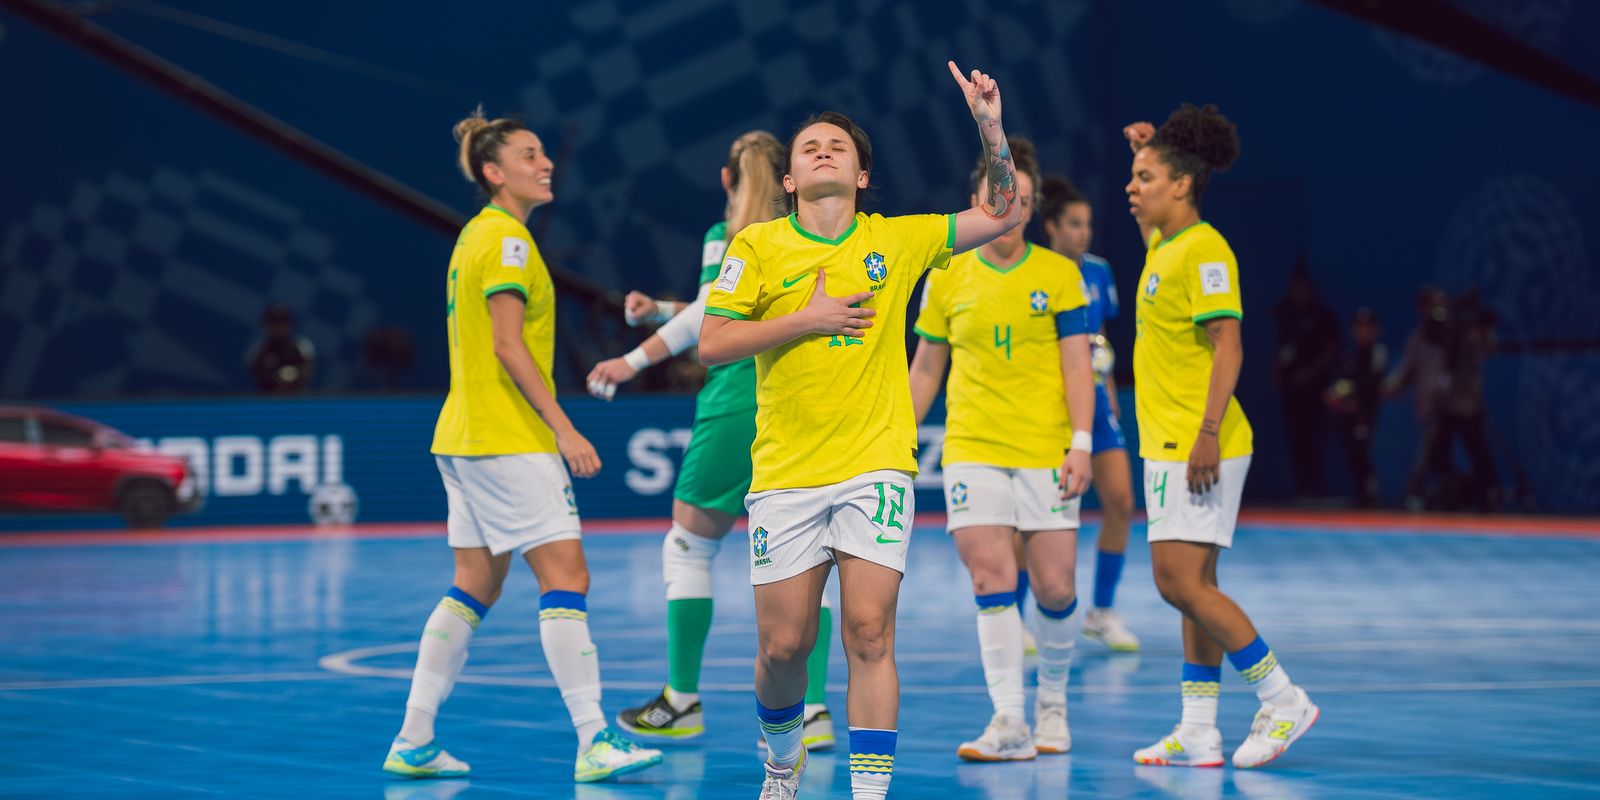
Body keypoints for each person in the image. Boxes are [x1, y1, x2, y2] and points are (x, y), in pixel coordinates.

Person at [698, 61, 1023, 799]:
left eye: (837, 147)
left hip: (875, 463)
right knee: (784, 646)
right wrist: (806, 319)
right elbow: (713, 343)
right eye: (809, 147)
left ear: (862, 175)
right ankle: (782, 764)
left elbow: (1003, 212)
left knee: (869, 631)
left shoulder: (899, 241)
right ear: (788, 180)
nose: (823, 152)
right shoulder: (755, 248)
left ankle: (868, 793)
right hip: (785, 470)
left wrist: (991, 130)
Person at [383, 108, 662, 784]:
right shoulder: (509, 242)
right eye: (529, 154)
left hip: (463, 435)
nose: (545, 163)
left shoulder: (476, 235)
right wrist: (564, 427)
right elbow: (508, 345)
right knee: (567, 576)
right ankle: (594, 740)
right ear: (493, 172)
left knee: (475, 583)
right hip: (507, 437)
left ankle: (414, 739)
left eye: (544, 153)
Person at [585, 131, 838, 750]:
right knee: (813, 557)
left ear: (727, 180)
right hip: (803, 402)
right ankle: (814, 711)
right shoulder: (811, 232)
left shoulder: (726, 237)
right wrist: (660, 309)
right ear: (786, 177)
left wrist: (633, 358)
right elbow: (734, 304)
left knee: (689, 547)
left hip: (736, 402)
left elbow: (710, 315)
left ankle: (681, 701)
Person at [1121, 105, 1318, 769]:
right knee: (1194, 585)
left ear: (1181, 185)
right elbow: (1157, 209)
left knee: (1178, 582)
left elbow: (1228, 345)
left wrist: (1206, 433)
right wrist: (1152, 149)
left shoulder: (1206, 250)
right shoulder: (1165, 245)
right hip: (1170, 441)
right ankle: (1199, 730)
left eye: (1145, 177)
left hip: (1197, 444)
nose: (1131, 187)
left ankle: (1283, 698)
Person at [908, 137, 1095, 761]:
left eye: (1022, 199)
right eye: (1000, 196)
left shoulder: (1060, 275)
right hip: (973, 446)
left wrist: (1081, 444)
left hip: (1046, 450)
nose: (1011, 207)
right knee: (991, 576)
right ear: (976, 201)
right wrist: (897, 438)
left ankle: (1052, 705)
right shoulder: (947, 275)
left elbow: (1078, 367)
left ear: (1033, 207)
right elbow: (926, 368)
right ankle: (1010, 720)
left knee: (1056, 588)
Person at [1038, 175, 1141, 652]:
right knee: (1041, 516)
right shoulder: (1036, 271)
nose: (1083, 233)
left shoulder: (1099, 272)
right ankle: (1017, 613)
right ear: (1052, 227)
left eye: (1088, 225)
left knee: (1120, 501)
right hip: (1048, 407)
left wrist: (1109, 388)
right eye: (1074, 224)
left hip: (1096, 403)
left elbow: (1099, 341)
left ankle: (1101, 612)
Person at [1272, 268, 1340, 498]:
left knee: (1314, 437)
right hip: (1292, 391)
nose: (1299, 294)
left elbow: (1332, 350)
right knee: (1295, 437)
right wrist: (1278, 373)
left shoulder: (1323, 317)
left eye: (1304, 290)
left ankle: (1314, 486)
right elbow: (1282, 350)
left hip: (1315, 390)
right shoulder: (1287, 316)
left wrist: (1310, 373)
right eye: (1296, 290)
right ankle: (1301, 486)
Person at [1325, 308, 1386, 507]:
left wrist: (1351, 393)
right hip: (1348, 414)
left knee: (1362, 452)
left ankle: (1370, 496)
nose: (1362, 332)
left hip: (1367, 413)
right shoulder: (1351, 354)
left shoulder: (1377, 353)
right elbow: (1340, 379)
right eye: (1358, 328)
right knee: (1353, 453)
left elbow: (1371, 381)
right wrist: (1336, 394)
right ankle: (1361, 495)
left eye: (1366, 328)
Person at [246, 304, 316, 393]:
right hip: (267, 398)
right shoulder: (259, 351)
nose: (278, 326)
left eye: (282, 321)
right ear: (267, 324)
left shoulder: (302, 347)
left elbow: (308, 371)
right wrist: (275, 377)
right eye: (274, 321)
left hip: (296, 398)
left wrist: (294, 374)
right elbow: (255, 375)